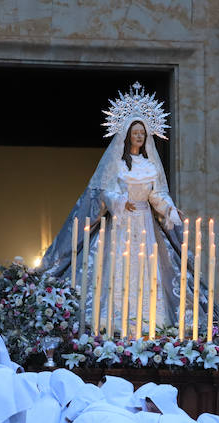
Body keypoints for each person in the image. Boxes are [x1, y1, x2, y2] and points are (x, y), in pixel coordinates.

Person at [39, 83, 186, 333]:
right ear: (127, 134)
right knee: (118, 269)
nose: (139, 136)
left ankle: (150, 320)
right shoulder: (116, 164)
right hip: (121, 224)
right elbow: (105, 190)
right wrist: (119, 201)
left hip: (144, 223)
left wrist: (170, 210)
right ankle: (116, 319)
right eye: (135, 132)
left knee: (146, 270)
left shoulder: (151, 167)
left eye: (142, 133)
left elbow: (158, 194)